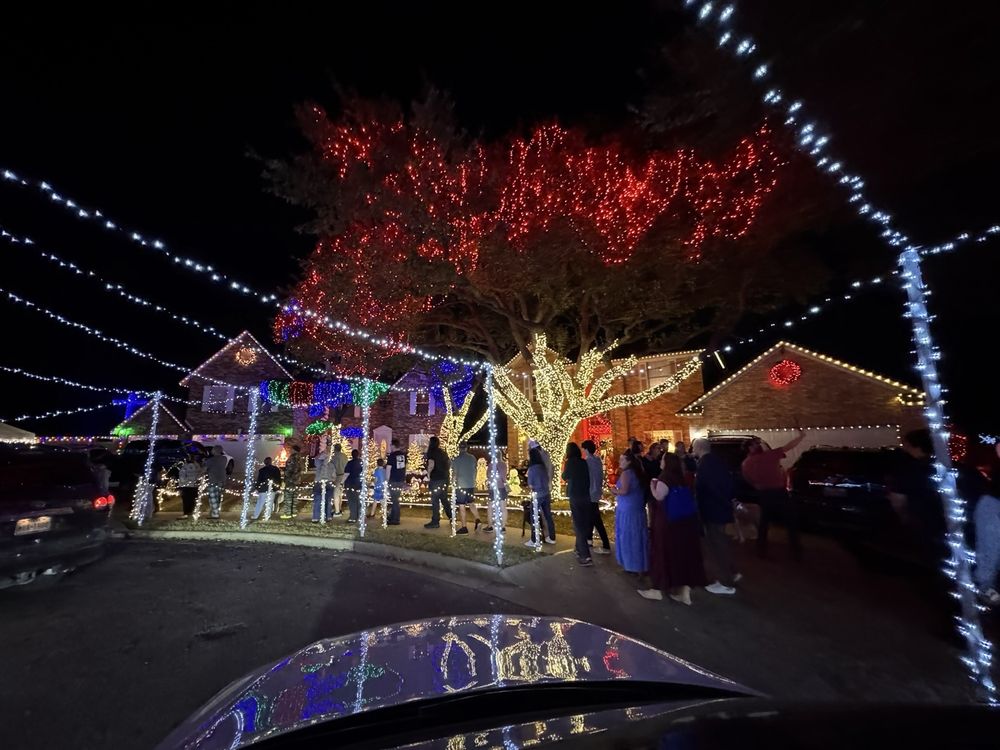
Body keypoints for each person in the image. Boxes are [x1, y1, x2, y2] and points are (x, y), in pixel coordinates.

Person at [640, 452, 706, 604]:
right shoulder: (681, 478)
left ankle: (657, 589)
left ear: (667, 462)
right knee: (681, 555)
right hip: (684, 522)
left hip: (667, 521)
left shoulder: (665, 478)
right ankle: (684, 591)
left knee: (662, 552)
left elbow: (659, 496)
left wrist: (652, 485)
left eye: (662, 459)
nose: (660, 461)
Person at [741, 429, 806, 561]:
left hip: (765, 494)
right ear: (750, 447)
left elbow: (748, 479)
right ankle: (796, 552)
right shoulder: (768, 455)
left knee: (765, 523)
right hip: (778, 493)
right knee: (790, 521)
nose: (759, 445)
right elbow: (789, 446)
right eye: (755, 443)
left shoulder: (746, 463)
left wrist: (756, 485)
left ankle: (761, 550)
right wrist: (801, 436)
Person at [691, 438, 739, 595]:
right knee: (721, 544)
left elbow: (709, 489)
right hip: (720, 509)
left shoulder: (705, 465)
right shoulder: (717, 462)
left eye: (694, 447)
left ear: (698, 448)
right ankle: (731, 574)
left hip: (713, 511)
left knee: (718, 546)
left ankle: (726, 583)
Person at [610, 451, 648, 575]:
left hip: (628, 509)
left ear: (629, 461)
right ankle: (640, 563)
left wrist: (614, 491)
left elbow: (624, 490)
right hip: (637, 508)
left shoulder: (626, 473)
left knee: (628, 536)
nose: (620, 462)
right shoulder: (638, 473)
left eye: (622, 460)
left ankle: (631, 564)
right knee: (638, 535)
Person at [562, 442, 593, 566]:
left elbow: (565, 476)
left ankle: (585, 556)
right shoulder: (583, 462)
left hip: (575, 495)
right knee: (583, 522)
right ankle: (578, 548)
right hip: (586, 495)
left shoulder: (569, 462)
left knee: (578, 524)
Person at [582, 440, 611, 555]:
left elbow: (588, 478)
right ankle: (589, 540)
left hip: (590, 492)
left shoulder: (587, 462)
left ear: (587, 450)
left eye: (583, 449)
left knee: (596, 519)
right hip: (596, 491)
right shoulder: (597, 460)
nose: (582, 451)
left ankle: (606, 544)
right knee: (591, 517)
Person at [526, 446, 556, 545]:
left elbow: (530, 484)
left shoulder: (532, 469)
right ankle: (552, 537)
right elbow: (547, 479)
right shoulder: (542, 467)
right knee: (548, 515)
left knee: (534, 516)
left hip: (537, 495)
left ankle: (534, 539)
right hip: (546, 494)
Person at [450, 443, 481, 534]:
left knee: (462, 506)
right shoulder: (472, 458)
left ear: (459, 448)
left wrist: (452, 483)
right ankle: (478, 520)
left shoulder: (456, 460)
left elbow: (454, 474)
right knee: (471, 503)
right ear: (466, 448)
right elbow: (475, 469)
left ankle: (464, 527)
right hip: (470, 484)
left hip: (461, 485)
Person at [424, 436, 452, 529]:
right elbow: (449, 463)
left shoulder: (432, 452)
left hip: (436, 479)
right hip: (445, 478)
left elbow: (431, 464)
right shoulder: (443, 452)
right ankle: (452, 516)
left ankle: (435, 521)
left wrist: (428, 474)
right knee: (444, 498)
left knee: (435, 500)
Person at [483, 453, 510, 533]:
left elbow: (488, 475)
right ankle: (503, 527)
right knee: (503, 508)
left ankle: (490, 526)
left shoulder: (491, 465)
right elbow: (503, 476)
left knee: (490, 507)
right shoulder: (504, 464)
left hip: (493, 488)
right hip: (502, 487)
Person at [385, 438, 407, 525]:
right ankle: (392, 516)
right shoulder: (403, 455)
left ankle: (395, 519)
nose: (390, 447)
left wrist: (386, 480)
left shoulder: (392, 456)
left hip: (393, 480)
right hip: (400, 479)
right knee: (396, 499)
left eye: (390, 445)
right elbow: (405, 467)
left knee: (394, 500)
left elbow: (388, 468)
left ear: (393, 446)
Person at [280, 445, 305, 519]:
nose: (290, 450)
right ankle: (293, 512)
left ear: (294, 450)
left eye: (291, 449)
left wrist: (285, 472)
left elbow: (289, 470)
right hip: (297, 480)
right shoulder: (300, 459)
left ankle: (287, 513)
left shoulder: (292, 458)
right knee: (294, 497)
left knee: (288, 497)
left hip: (290, 480)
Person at [205, 445, 229, 519]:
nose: (211, 451)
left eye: (212, 450)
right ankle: (214, 512)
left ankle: (215, 514)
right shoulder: (224, 458)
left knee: (213, 497)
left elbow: (204, 469)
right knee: (218, 496)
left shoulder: (210, 460)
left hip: (213, 479)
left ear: (214, 451)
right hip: (222, 479)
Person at [177, 454, 202, 518]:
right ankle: (191, 512)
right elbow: (199, 474)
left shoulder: (185, 466)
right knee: (192, 500)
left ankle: (186, 513)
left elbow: (182, 477)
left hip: (186, 486)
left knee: (186, 500)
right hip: (194, 486)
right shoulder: (197, 466)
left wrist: (183, 482)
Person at [312, 452, 333, 523]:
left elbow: (316, 459)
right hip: (328, 482)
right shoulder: (331, 464)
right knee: (328, 500)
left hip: (318, 482)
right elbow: (334, 474)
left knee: (317, 500)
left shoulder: (318, 463)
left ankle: (316, 517)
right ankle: (328, 516)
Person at [343, 449, 363, 523]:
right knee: (358, 500)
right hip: (359, 483)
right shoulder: (361, 462)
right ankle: (359, 515)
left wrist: (342, 482)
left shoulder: (350, 463)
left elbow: (346, 474)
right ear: (358, 455)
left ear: (352, 455)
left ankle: (353, 517)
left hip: (350, 483)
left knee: (352, 501)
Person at [330, 443, 349, 517]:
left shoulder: (334, 457)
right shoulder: (344, 456)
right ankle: (339, 509)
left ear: (335, 449)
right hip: (344, 476)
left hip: (338, 476)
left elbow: (332, 468)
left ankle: (337, 511)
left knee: (336, 494)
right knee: (340, 493)